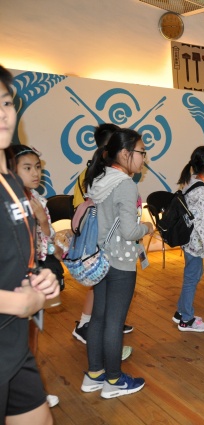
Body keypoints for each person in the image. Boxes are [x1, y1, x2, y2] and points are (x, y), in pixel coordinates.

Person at [0, 64, 60, 425]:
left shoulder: (10, 183)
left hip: (12, 341)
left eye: (6, 102)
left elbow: (15, 251)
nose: (3, 114)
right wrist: (17, 302)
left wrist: (39, 276)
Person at [80, 128, 154, 399]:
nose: (144, 158)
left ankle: (94, 374)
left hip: (99, 260)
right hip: (120, 263)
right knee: (114, 322)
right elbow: (129, 231)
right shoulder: (125, 184)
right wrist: (147, 227)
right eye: (142, 152)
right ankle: (113, 380)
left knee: (98, 318)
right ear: (125, 153)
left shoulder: (100, 179)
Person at [6, 145, 61, 409]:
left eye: (38, 167)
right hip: (10, 284)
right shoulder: (8, 200)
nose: (35, 173)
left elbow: (47, 246)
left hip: (32, 276)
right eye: (27, 168)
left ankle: (30, 390)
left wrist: (42, 221)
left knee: (31, 337)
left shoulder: (38, 200)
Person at [72, 123, 134, 350]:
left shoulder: (102, 173)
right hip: (103, 247)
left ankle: (97, 330)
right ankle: (85, 325)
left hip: (103, 245)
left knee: (103, 301)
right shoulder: (104, 175)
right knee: (100, 301)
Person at [172, 146, 204, 332]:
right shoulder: (203, 191)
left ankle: (180, 312)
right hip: (196, 243)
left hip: (188, 239)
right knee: (192, 278)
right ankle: (186, 319)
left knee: (192, 276)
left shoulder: (191, 181)